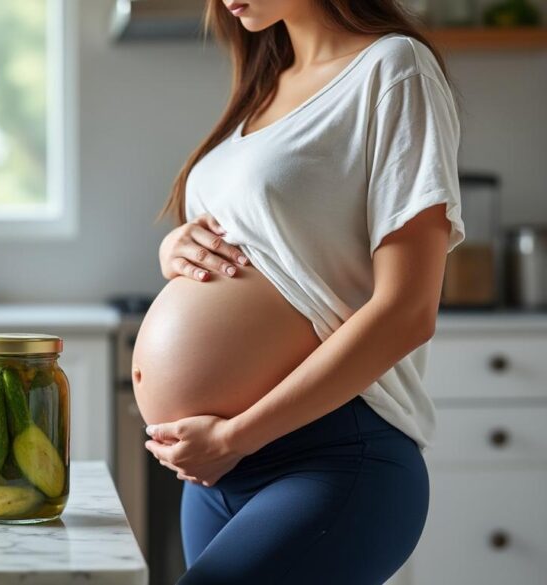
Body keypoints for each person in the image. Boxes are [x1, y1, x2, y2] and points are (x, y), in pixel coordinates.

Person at [143, 1, 465, 583]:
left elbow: (407, 311)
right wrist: (175, 251)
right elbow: (277, 249)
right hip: (219, 473)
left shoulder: (393, 69)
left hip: (331, 455)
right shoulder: (267, 82)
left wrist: (235, 435)